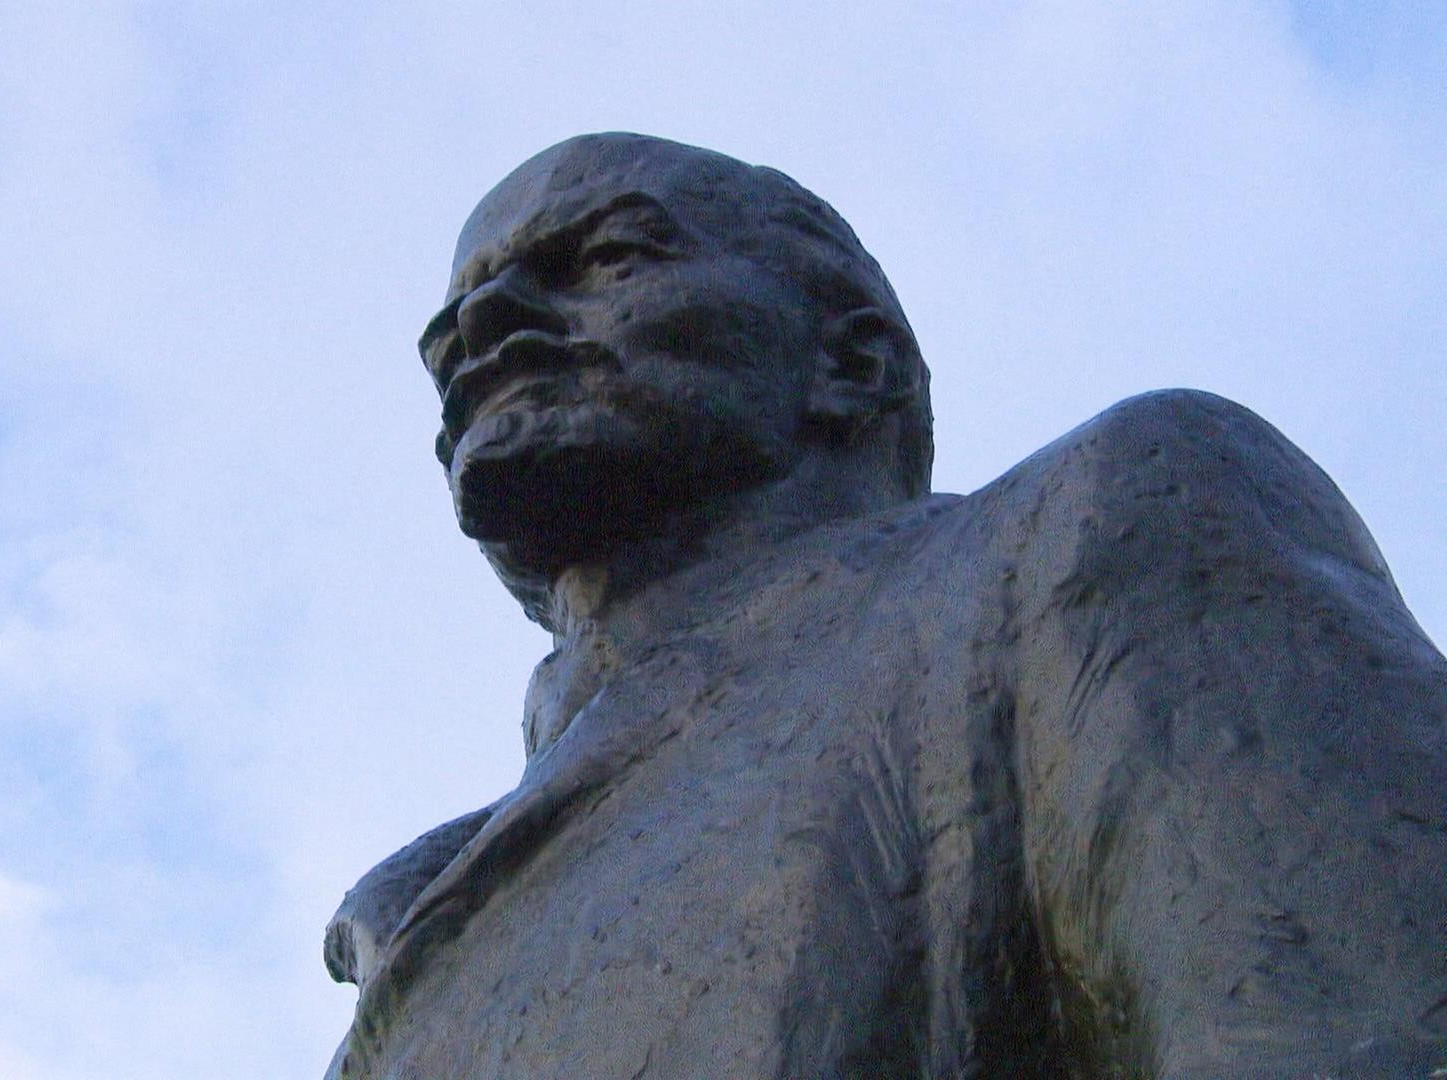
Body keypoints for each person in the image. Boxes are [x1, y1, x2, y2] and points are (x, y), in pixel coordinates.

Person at [322, 133, 1447, 1078]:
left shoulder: (1100, 527)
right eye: (447, 339)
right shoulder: (412, 935)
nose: (488, 329)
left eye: (607, 259)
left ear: (851, 363)